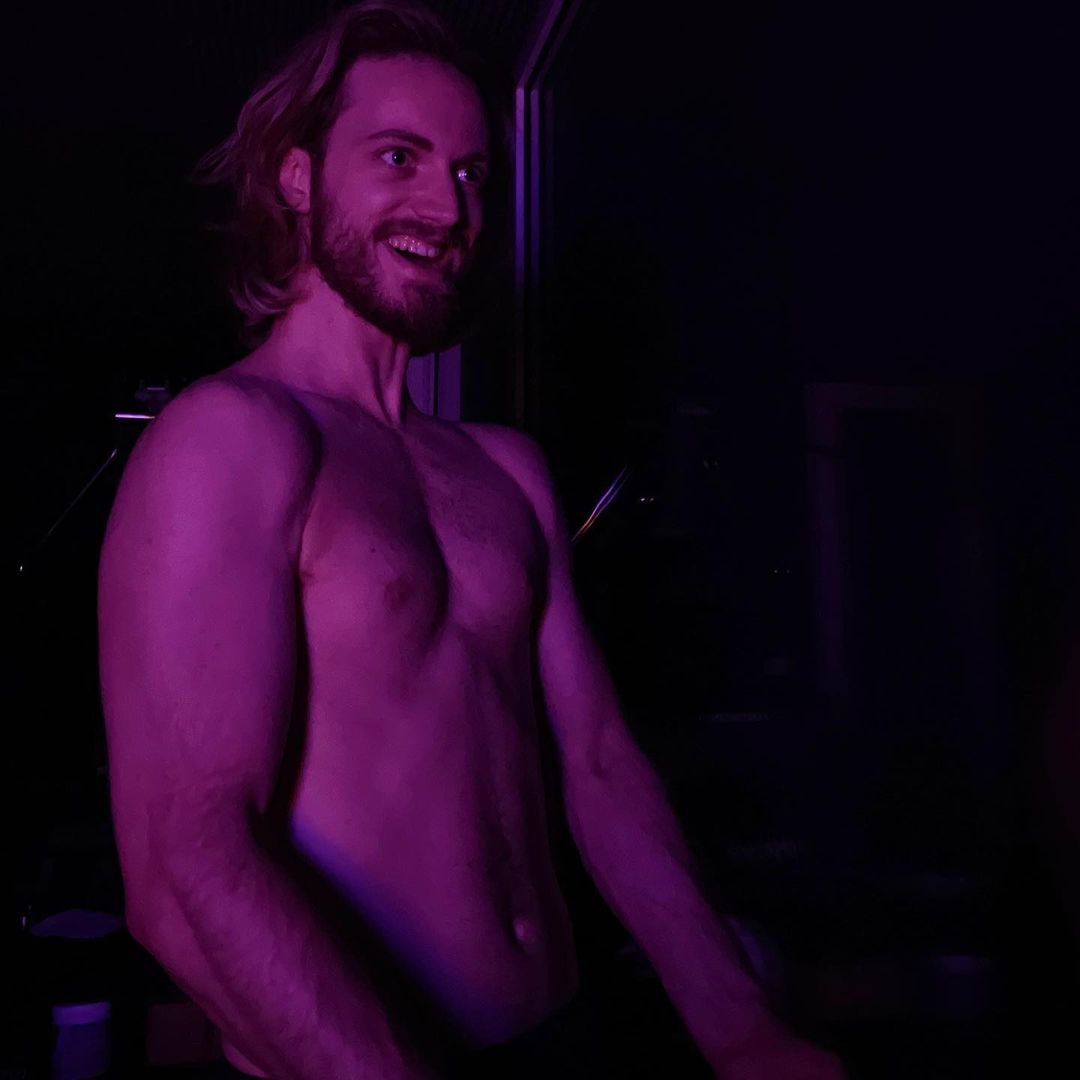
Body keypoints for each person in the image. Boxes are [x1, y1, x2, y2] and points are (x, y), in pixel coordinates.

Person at [98, 3, 844, 1077]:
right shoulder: (233, 439)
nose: (449, 206)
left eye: (471, 173)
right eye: (398, 157)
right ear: (299, 178)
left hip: (565, 1037)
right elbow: (186, 864)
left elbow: (598, 762)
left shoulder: (505, 471)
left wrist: (740, 1030)